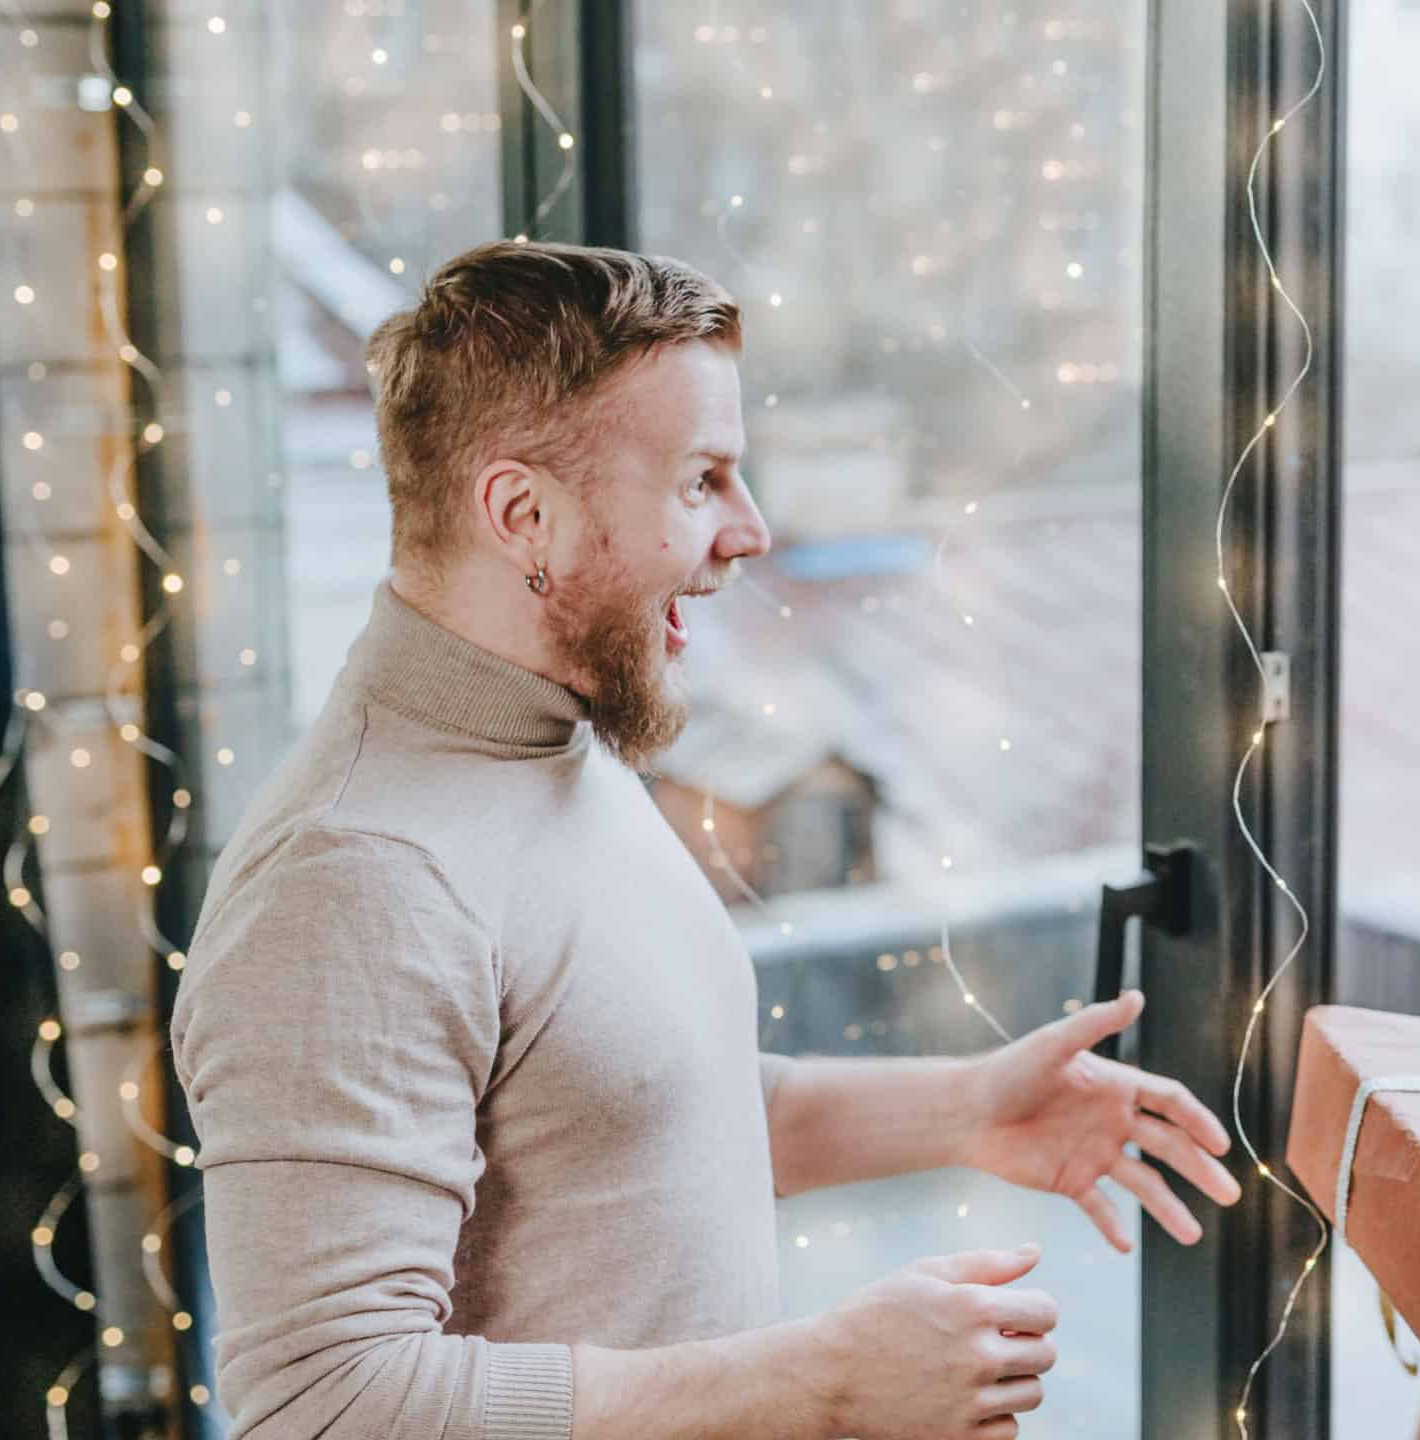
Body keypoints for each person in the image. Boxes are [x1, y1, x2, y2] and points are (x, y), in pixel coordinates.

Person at [170, 240, 1243, 1440]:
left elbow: (637, 1113)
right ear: (524, 515)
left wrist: (968, 1108)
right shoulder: (354, 878)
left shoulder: (565, 743)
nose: (752, 530)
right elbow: (322, 1404)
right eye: (701, 481)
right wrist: (825, 1381)